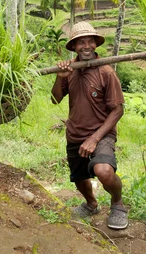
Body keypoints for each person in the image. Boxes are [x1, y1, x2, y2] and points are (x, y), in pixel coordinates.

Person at [51, 21, 128, 230]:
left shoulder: (106, 72)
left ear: (95, 44)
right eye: (80, 42)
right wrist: (60, 78)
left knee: (103, 171)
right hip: (75, 133)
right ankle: (91, 204)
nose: (86, 46)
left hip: (101, 134)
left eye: (89, 41)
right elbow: (55, 99)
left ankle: (118, 204)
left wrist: (94, 139)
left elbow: (118, 110)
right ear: (74, 47)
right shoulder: (70, 69)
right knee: (79, 176)